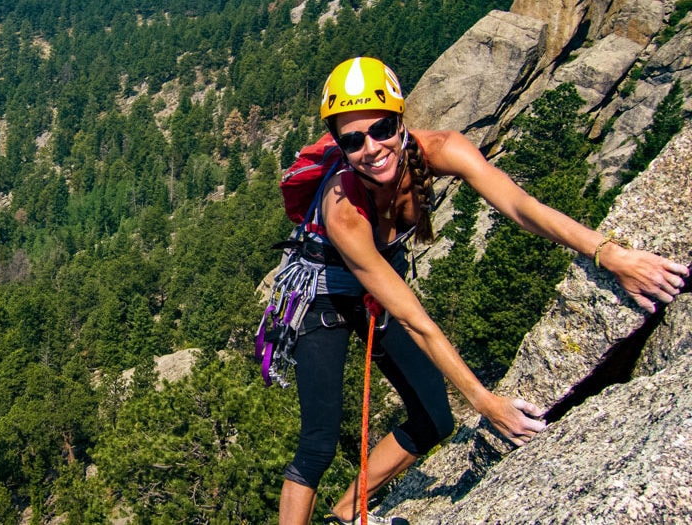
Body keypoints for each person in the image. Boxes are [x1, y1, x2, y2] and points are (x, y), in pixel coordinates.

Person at [277, 56, 690, 525]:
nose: (371, 148)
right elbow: (415, 318)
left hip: (374, 287)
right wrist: (485, 401)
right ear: (339, 145)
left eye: (382, 128)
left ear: (401, 121)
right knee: (318, 443)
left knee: (435, 418)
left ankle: (347, 512)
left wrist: (608, 254)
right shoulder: (342, 210)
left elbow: (519, 204)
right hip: (322, 294)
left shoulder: (443, 150)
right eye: (352, 140)